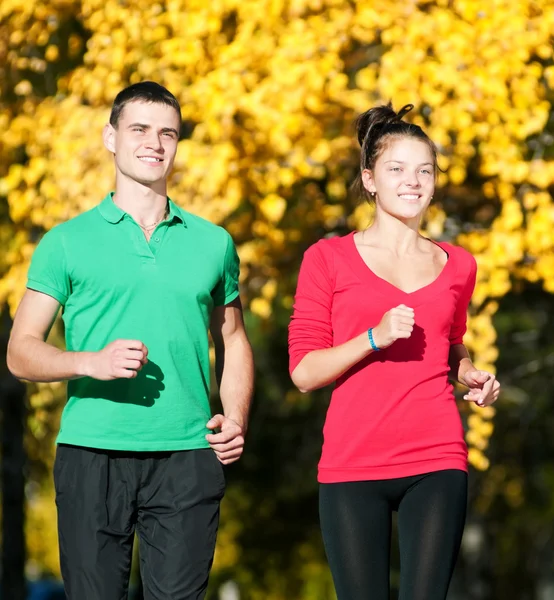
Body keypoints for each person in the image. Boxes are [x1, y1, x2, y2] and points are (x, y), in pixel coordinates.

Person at [7, 81, 254, 600]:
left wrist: (234, 417)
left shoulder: (215, 243)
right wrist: (90, 362)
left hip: (189, 454)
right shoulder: (66, 242)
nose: (154, 143)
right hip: (92, 453)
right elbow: (21, 350)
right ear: (110, 138)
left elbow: (233, 339)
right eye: (139, 129)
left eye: (168, 133)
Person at [288, 103, 500, 600]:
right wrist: (372, 339)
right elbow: (303, 372)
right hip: (352, 461)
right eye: (397, 169)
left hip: (437, 456)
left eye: (424, 170)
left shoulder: (458, 264)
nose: (413, 181)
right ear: (370, 179)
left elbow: (449, 342)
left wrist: (469, 371)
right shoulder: (327, 259)